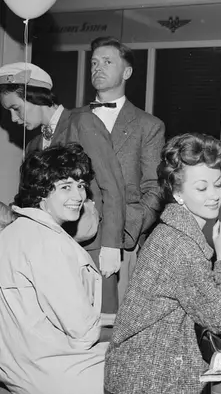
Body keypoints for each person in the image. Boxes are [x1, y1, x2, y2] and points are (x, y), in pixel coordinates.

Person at [104, 133, 221, 394]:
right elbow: (217, 317)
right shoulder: (179, 244)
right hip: (151, 391)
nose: (215, 195)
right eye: (201, 187)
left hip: (138, 380)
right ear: (177, 193)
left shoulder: (173, 233)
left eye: (218, 184)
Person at [0, 62, 126, 314]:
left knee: (100, 322)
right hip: (51, 253)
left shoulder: (83, 122)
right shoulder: (34, 144)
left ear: (34, 96)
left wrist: (112, 245)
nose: (14, 119)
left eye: (16, 108)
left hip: (92, 247)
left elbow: (112, 186)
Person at [0, 144, 108, 394]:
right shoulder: (49, 242)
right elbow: (83, 333)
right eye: (65, 187)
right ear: (42, 191)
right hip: (57, 375)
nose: (78, 195)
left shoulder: (13, 233)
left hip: (20, 371)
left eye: (81, 185)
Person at [80, 36, 165, 300]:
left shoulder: (148, 125)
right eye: (94, 62)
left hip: (122, 242)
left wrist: (127, 230)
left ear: (127, 72)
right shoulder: (74, 119)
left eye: (107, 62)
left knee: (116, 318)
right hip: (76, 235)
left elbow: (155, 188)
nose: (98, 68)